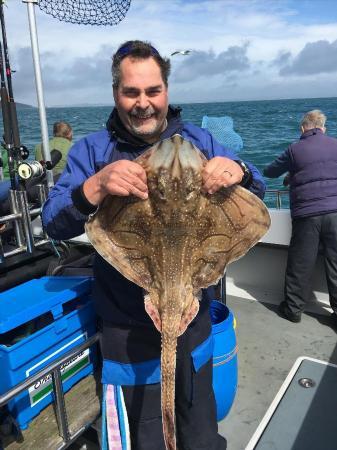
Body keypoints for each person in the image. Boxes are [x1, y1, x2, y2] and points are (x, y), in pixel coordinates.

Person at [42, 40, 266, 450]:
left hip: (192, 315)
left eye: (152, 91)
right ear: (116, 94)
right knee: (147, 438)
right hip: (127, 332)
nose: (143, 103)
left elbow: (259, 188)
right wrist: (94, 186)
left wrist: (239, 170)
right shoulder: (92, 151)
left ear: (166, 90)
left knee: (200, 432)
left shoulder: (199, 139)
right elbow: (53, 222)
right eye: (131, 92)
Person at [264, 109, 337, 324]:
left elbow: (270, 171)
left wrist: (294, 173)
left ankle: (293, 310)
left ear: (303, 128)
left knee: (300, 263)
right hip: (335, 212)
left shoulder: (295, 150)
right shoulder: (335, 144)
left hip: (307, 215)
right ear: (323, 128)